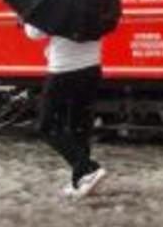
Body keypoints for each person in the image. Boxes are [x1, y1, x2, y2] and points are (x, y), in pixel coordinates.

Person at [25, 24, 107, 199]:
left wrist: (26, 20)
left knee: (45, 125)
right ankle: (80, 181)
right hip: (92, 68)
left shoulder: (58, 2)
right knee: (79, 126)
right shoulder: (96, 1)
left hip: (63, 71)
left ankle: (88, 169)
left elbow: (34, 33)